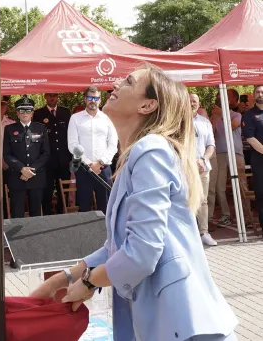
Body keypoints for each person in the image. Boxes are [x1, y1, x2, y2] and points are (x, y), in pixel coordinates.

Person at [31, 65, 237, 341]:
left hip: (184, 325)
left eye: (128, 82)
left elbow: (141, 252)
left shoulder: (150, 150)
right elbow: (119, 246)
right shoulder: (141, 153)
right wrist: (64, 278)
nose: (116, 84)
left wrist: (88, 282)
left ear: (147, 105)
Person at [67, 86, 118, 213]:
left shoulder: (107, 118)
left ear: (100, 100)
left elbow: (113, 144)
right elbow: (72, 144)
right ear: (85, 99)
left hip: (103, 168)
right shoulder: (75, 118)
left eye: (96, 98)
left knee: (106, 207)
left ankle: (105, 227)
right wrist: (89, 163)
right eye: (90, 98)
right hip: (84, 169)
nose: (93, 101)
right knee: (84, 207)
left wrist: (100, 163)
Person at [3, 95, 50, 218]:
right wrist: (22, 169)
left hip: (36, 177)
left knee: (36, 214)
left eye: (28, 110)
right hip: (17, 177)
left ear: (32, 113)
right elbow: (7, 154)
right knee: (17, 214)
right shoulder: (9, 129)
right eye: (21, 110)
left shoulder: (41, 128)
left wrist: (31, 170)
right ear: (17, 113)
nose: (25, 113)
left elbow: (46, 153)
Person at [209, 90, 244, 228]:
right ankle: (226, 215)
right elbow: (211, 133)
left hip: (235, 152)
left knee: (241, 184)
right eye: (218, 99)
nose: (219, 101)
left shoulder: (236, 115)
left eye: (222, 98)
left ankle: (245, 215)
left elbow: (233, 126)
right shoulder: (215, 116)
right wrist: (213, 118)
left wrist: (222, 114)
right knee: (220, 186)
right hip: (220, 153)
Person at [33, 93, 71, 215]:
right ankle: (47, 215)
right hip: (47, 161)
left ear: (58, 96)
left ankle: (62, 213)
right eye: (49, 95)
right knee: (47, 191)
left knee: (63, 191)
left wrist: (70, 157)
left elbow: (70, 135)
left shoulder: (65, 112)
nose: (52, 98)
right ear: (45, 96)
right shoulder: (38, 114)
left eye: (54, 95)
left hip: (63, 159)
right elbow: (36, 138)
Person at [190, 93, 217, 246]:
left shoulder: (205, 122)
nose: (192, 104)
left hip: (202, 167)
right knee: (186, 200)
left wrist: (203, 159)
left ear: (199, 104)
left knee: (202, 200)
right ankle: (190, 233)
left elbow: (211, 145)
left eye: (194, 101)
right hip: (184, 168)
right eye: (189, 101)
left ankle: (203, 232)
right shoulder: (177, 121)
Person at [242, 85, 263, 231]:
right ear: (254, 95)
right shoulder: (249, 115)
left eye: (262, 92)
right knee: (261, 194)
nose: (260, 94)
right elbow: (250, 138)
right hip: (259, 161)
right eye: (257, 92)